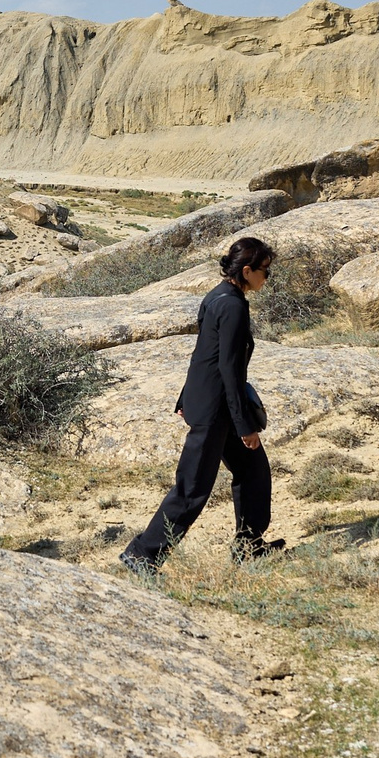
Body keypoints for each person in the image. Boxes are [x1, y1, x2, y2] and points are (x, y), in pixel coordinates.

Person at [120, 236, 284, 572]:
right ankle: (142, 554)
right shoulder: (233, 305)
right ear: (247, 270)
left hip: (212, 404)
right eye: (265, 271)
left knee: (254, 471)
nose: (268, 278)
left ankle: (248, 548)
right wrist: (246, 426)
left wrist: (185, 396)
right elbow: (229, 369)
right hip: (215, 412)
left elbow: (203, 353)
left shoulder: (219, 295)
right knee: (192, 489)